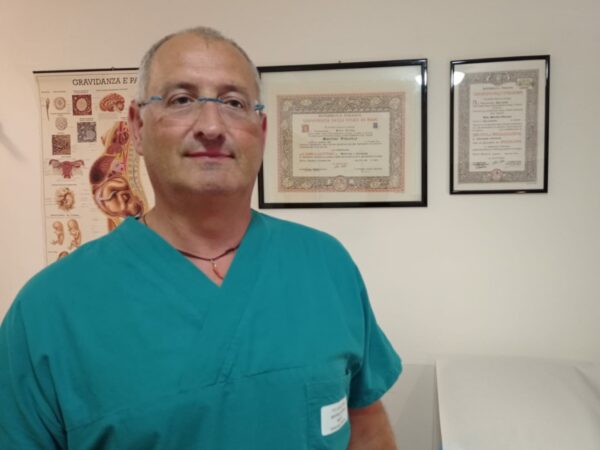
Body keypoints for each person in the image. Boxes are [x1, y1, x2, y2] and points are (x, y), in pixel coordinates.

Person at [0, 27, 401, 449]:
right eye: (181, 100)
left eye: (234, 103)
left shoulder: (325, 265)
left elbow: (365, 420)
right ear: (137, 127)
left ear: (262, 130)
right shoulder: (49, 311)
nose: (211, 126)